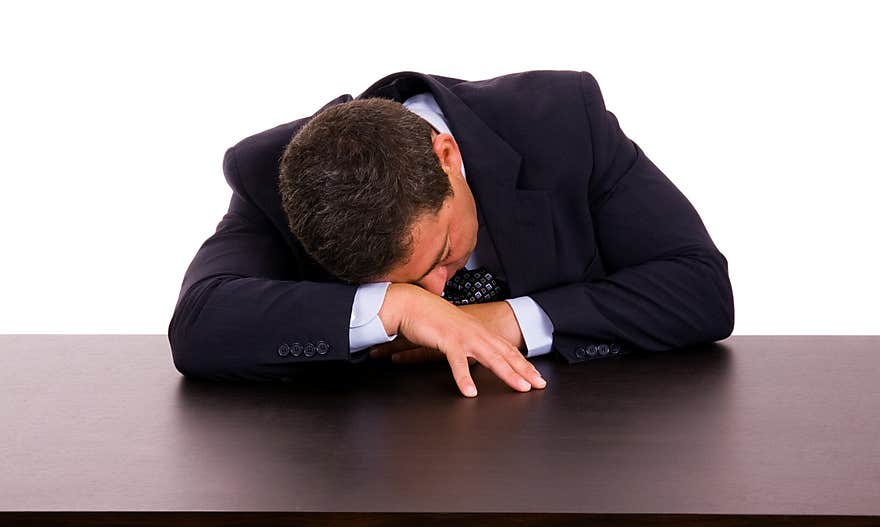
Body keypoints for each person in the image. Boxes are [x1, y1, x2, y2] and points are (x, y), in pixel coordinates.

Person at [168, 69, 734, 397]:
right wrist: (393, 308)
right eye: (407, 281)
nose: (437, 291)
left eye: (440, 255)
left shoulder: (562, 119)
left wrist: (509, 320)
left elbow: (699, 288)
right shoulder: (269, 172)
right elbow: (199, 326)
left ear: (447, 157)